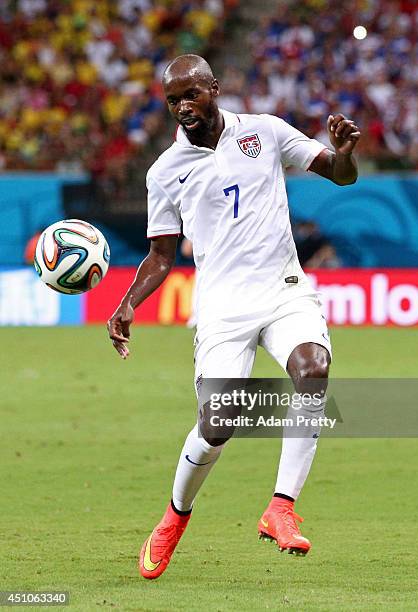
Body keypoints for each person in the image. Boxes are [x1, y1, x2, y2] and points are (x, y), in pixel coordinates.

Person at [107, 54, 360, 579]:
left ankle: (281, 508)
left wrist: (345, 152)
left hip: (283, 290)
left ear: (214, 89)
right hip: (222, 307)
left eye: (191, 95)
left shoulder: (265, 133)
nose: (183, 107)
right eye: (173, 100)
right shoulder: (165, 172)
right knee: (218, 421)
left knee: (313, 369)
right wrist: (128, 302)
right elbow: (161, 255)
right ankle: (175, 517)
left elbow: (339, 176)